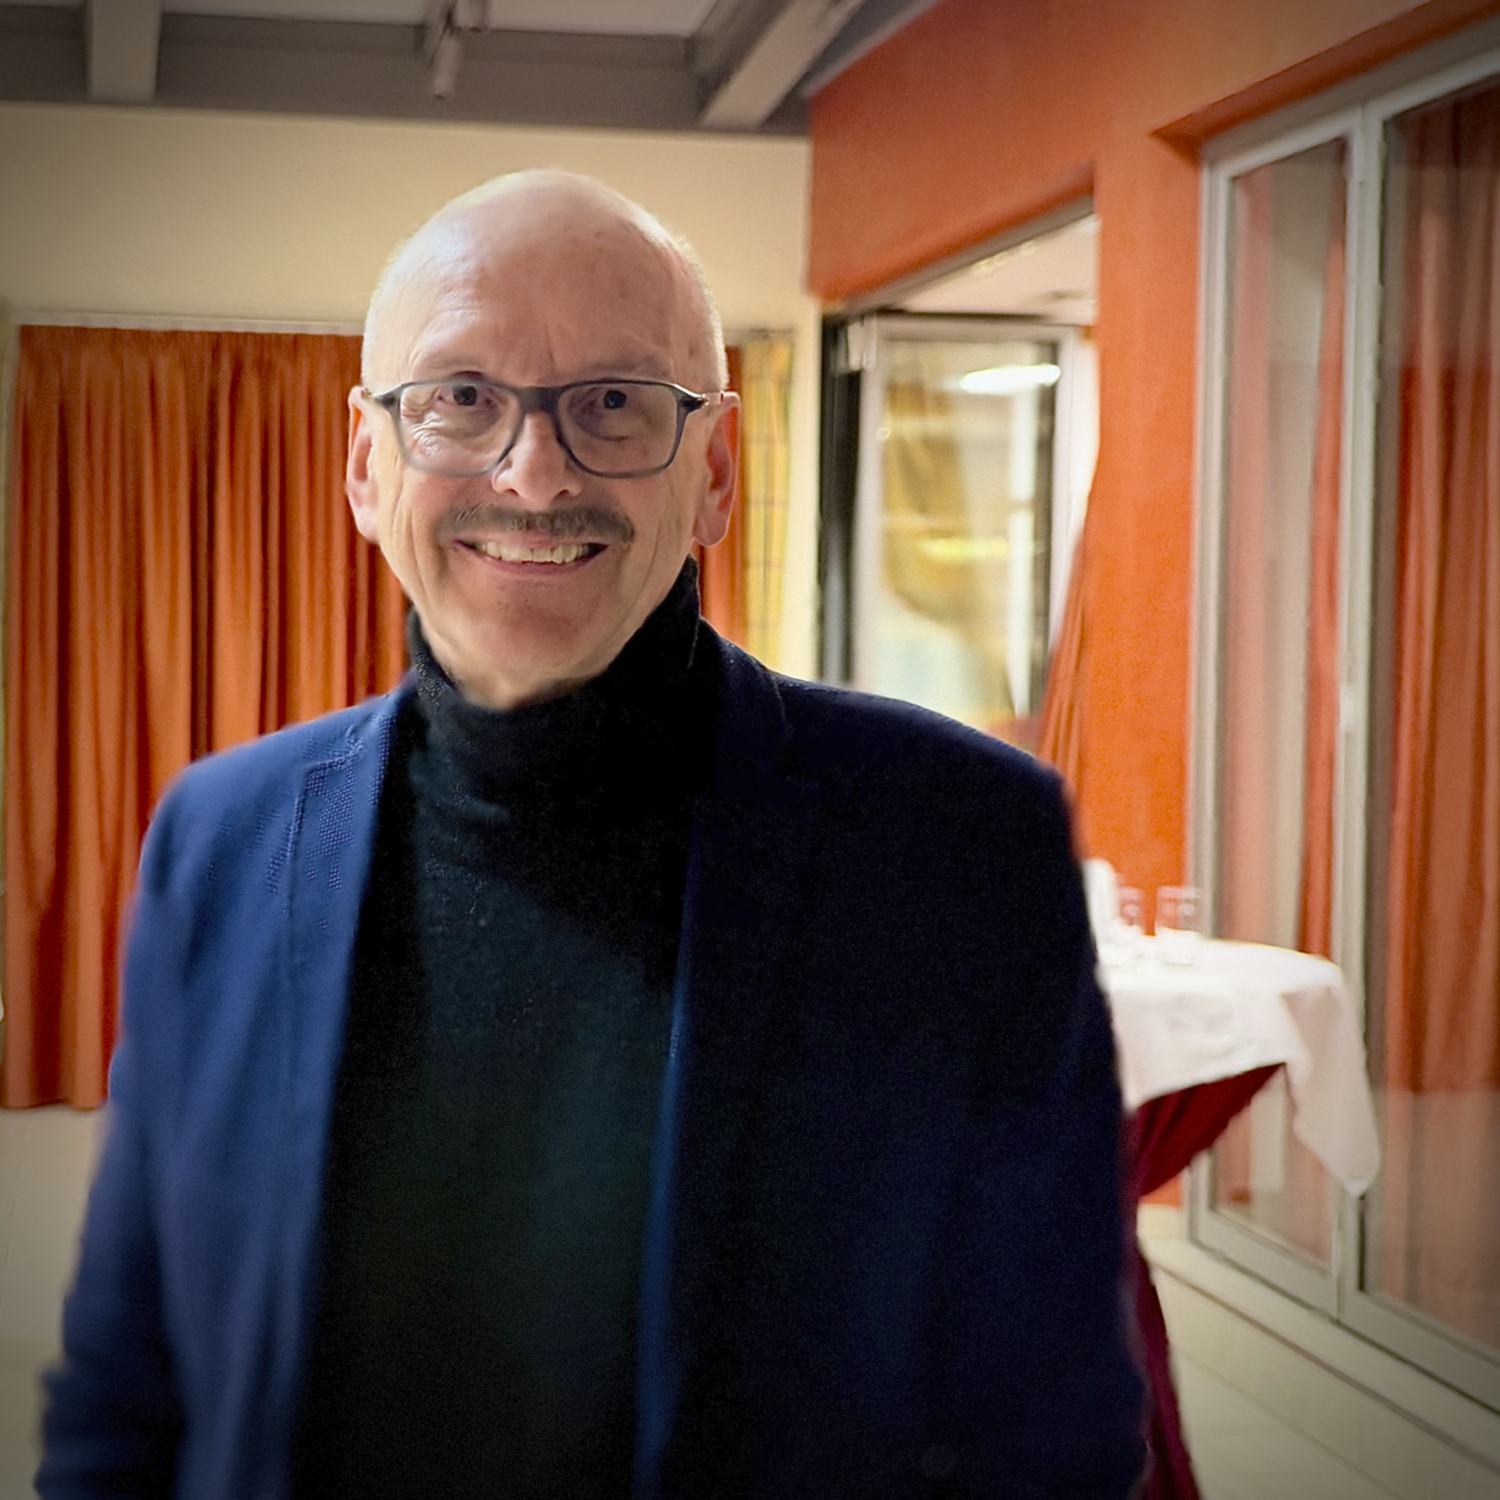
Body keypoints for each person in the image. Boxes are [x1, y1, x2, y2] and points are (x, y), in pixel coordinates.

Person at [38, 171, 1146, 1500]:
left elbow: (1052, 1437)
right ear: (365, 466)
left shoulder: (962, 851)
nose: (534, 472)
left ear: (716, 471)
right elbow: (130, 1384)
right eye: (461, 397)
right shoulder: (216, 842)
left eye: (614, 401)